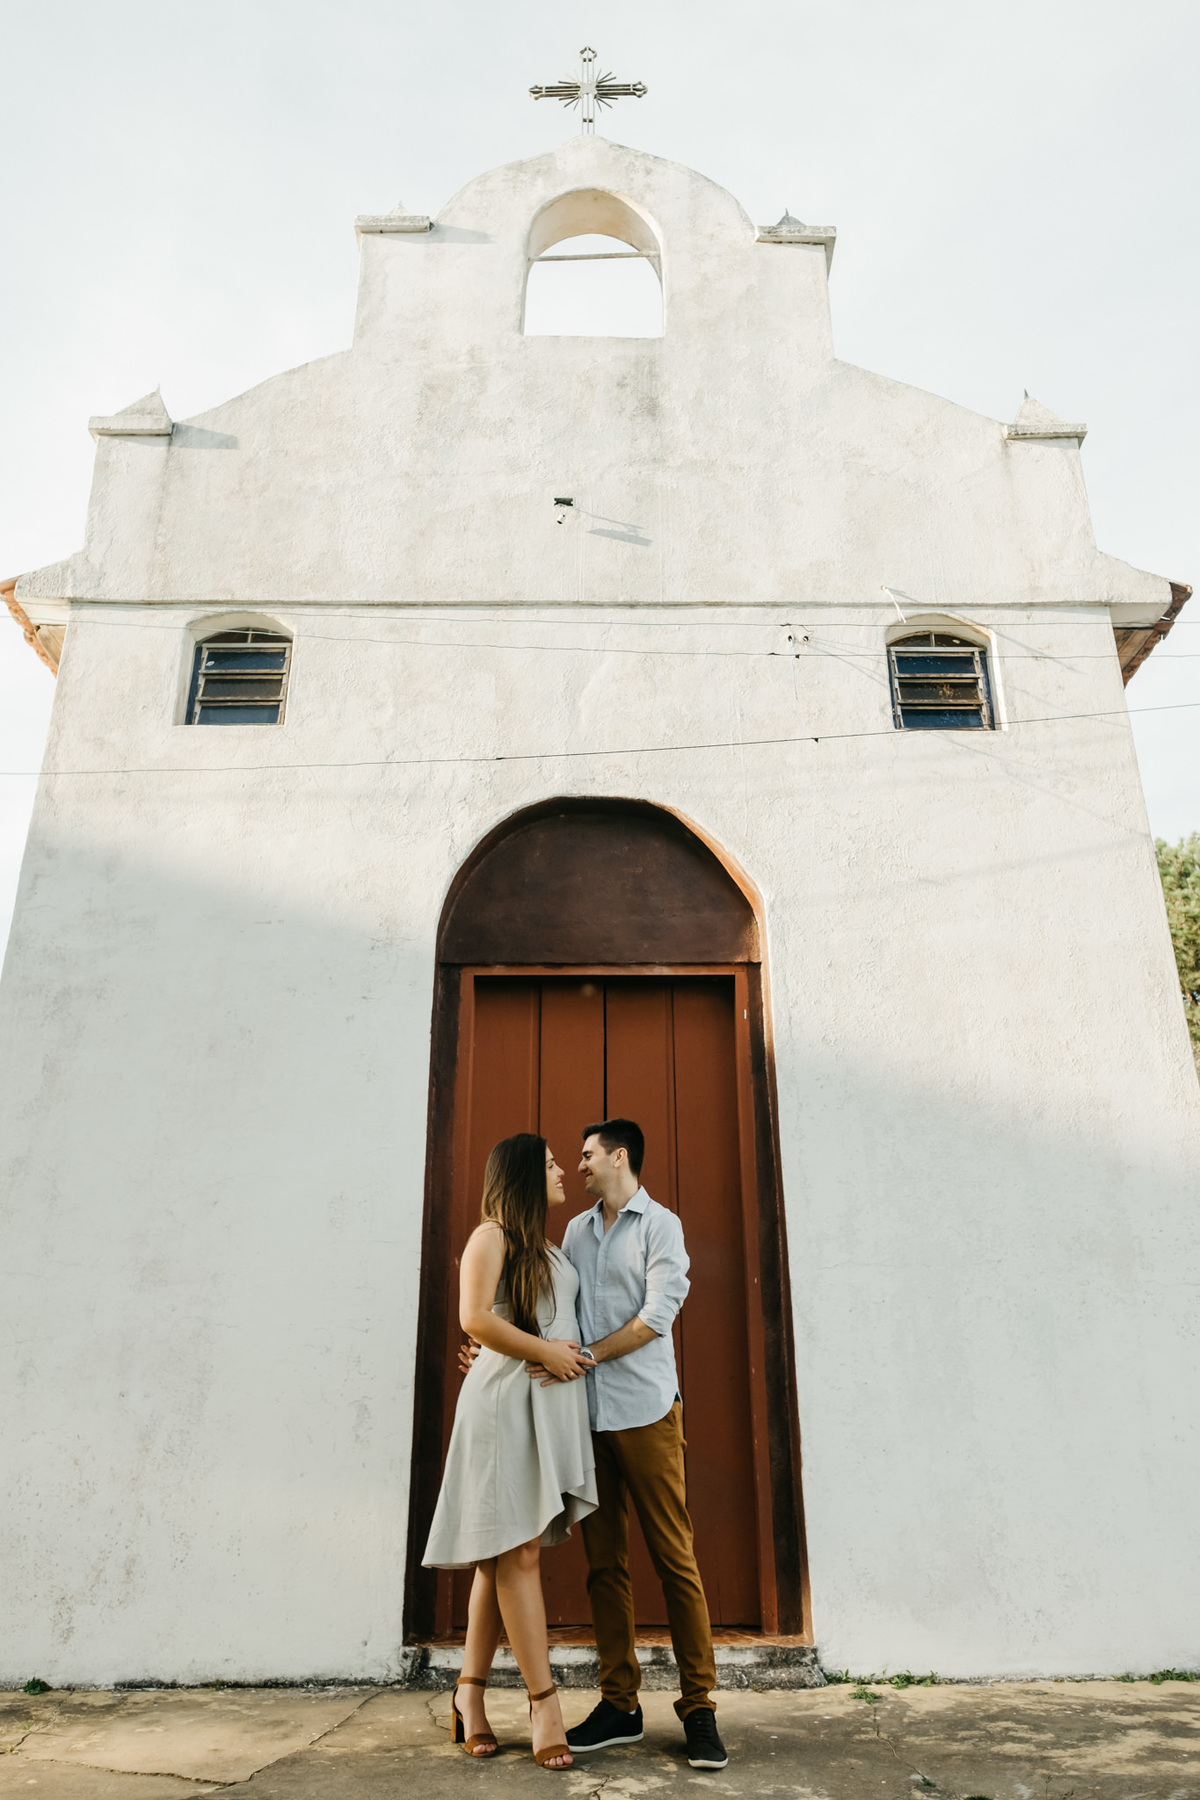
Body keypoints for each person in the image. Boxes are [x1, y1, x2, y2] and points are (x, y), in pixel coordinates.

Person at [505, 1119, 729, 1771]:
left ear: (619, 1157)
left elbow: (657, 1318)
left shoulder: (662, 1226)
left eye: (586, 1155)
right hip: (589, 1420)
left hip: (646, 1411)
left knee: (673, 1558)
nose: (576, 1166)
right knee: (604, 1565)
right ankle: (620, 1707)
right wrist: (496, 1340)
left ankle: (699, 1707)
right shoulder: (576, 1231)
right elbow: (553, 1305)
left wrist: (587, 1359)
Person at [423, 1133, 597, 1770]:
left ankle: (468, 1694)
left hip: (539, 1411)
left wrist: (552, 1349)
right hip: (501, 1411)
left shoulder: (542, 1245)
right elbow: (474, 1318)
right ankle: (543, 1701)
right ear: (523, 1174)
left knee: (500, 1559)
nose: (559, 1171)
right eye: (550, 1163)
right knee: (518, 1550)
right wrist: (545, 1349)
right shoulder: (489, 1236)